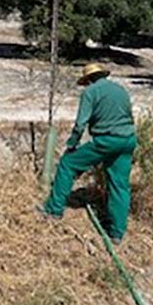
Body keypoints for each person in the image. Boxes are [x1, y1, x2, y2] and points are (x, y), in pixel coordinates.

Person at [40, 63, 137, 245]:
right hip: (128, 140)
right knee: (120, 185)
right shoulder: (120, 89)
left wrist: (72, 144)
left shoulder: (90, 92)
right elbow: (129, 116)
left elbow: (80, 123)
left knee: (68, 164)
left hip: (107, 140)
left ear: (88, 80)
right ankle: (116, 233)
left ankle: (53, 210)